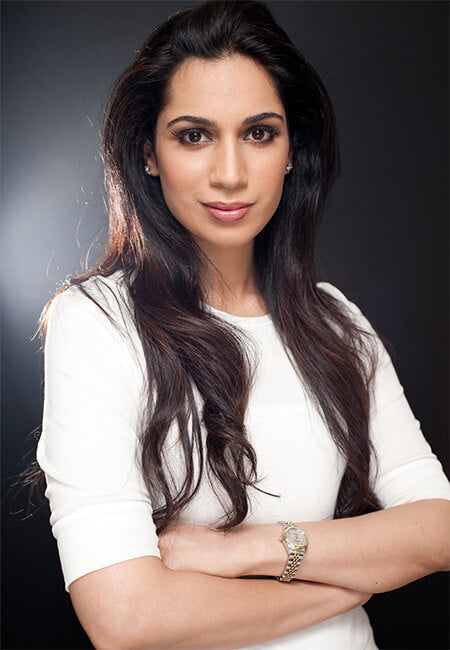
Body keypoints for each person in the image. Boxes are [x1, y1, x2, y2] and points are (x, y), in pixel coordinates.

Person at [30, 1, 449, 648]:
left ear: (292, 150)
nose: (230, 174)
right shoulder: (99, 321)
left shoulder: (336, 321)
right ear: (148, 153)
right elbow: (124, 617)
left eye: (259, 133)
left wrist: (252, 549)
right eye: (194, 136)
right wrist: (351, 582)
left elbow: (440, 527)